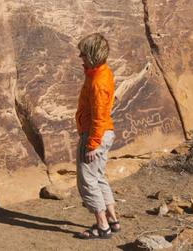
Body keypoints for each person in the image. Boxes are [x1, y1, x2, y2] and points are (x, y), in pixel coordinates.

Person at [75, 33, 120, 239]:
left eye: (83, 53)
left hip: (96, 135)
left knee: (87, 181)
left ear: (91, 55)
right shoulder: (99, 73)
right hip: (104, 133)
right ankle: (112, 218)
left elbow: (99, 117)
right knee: (98, 176)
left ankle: (102, 226)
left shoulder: (98, 83)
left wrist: (92, 144)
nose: (80, 56)